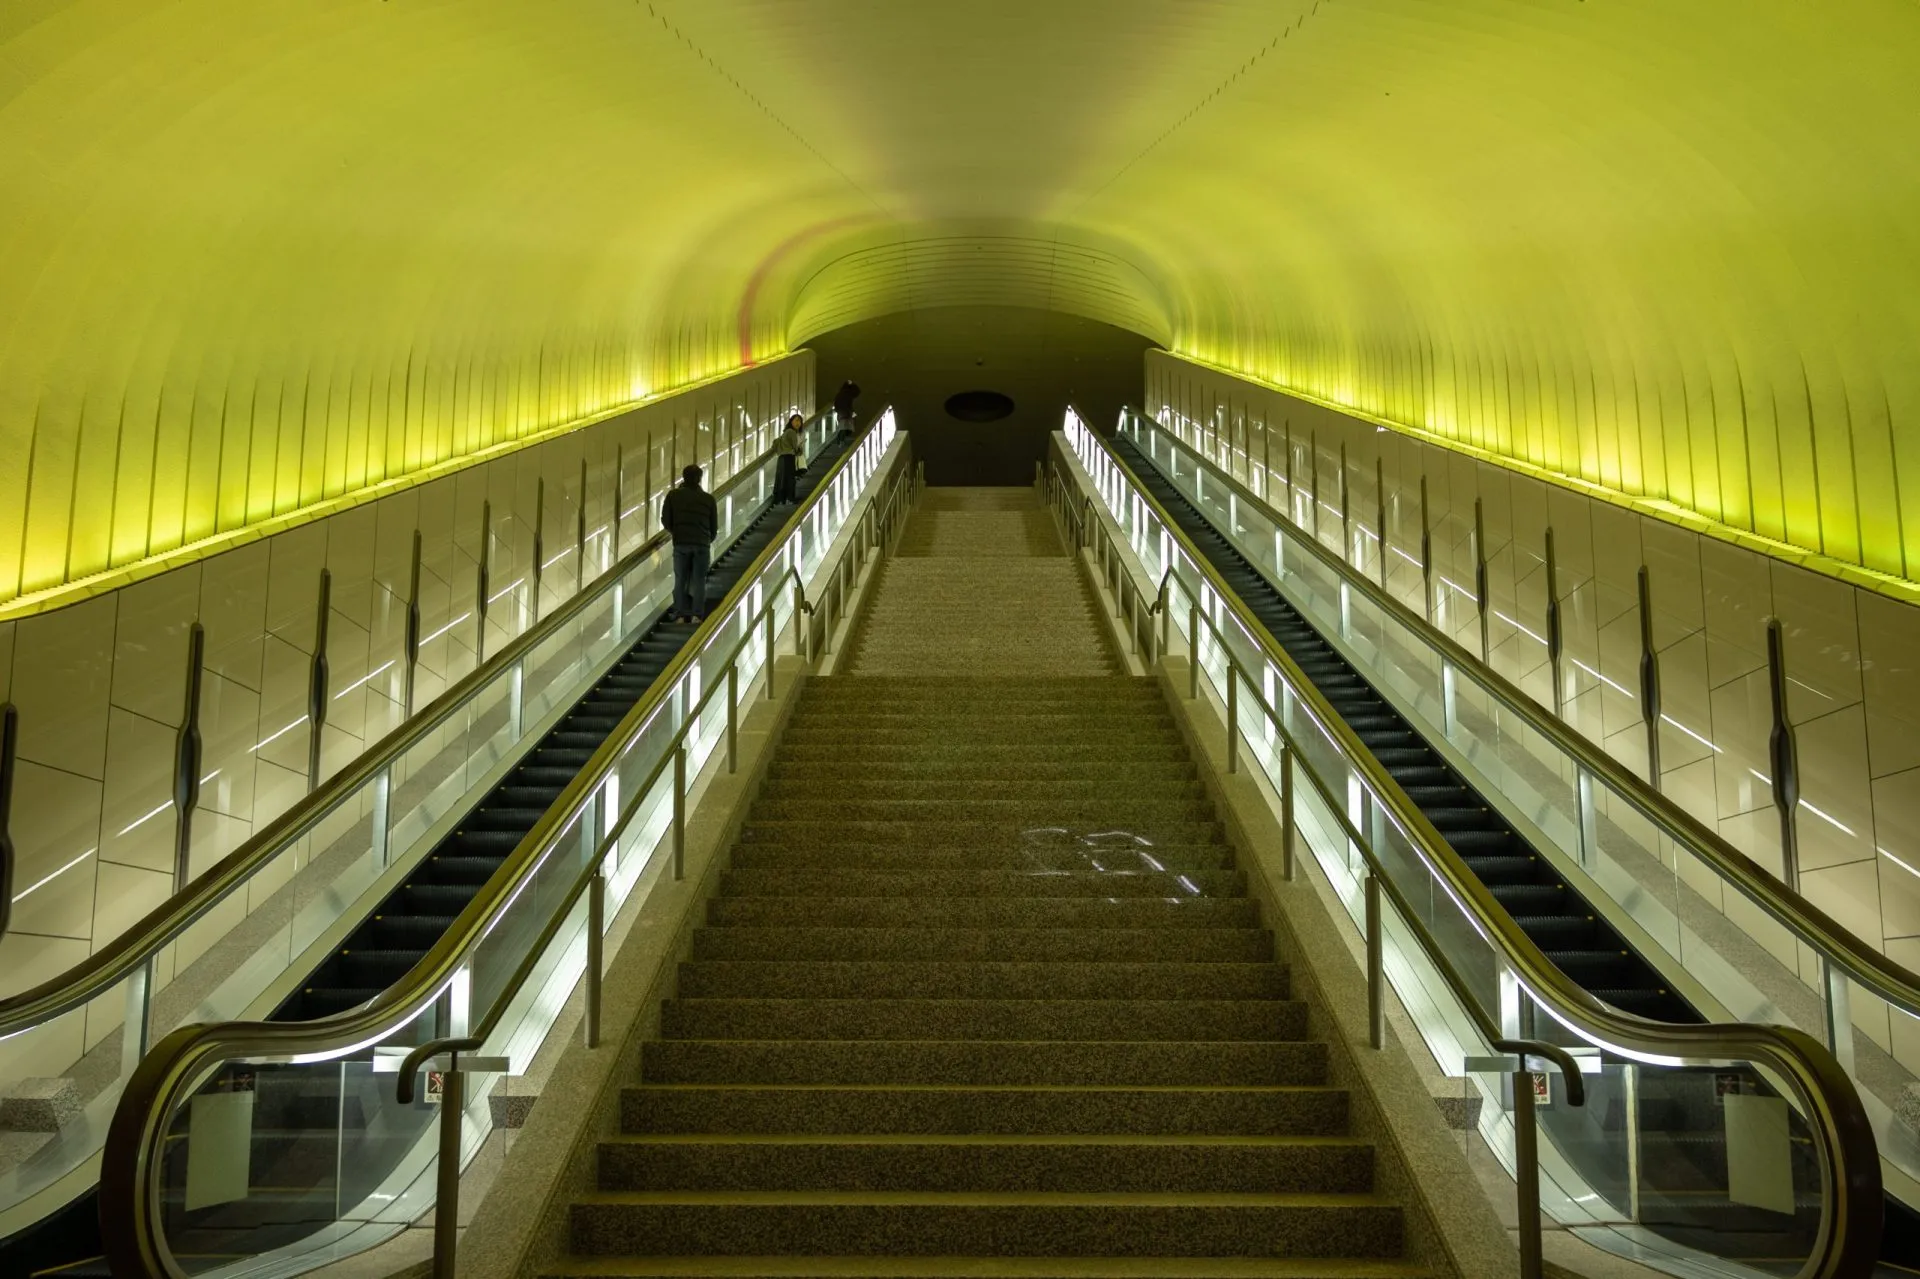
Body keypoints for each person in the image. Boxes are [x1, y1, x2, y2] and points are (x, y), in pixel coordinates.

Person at [660, 464, 718, 623]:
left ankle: (679, 614)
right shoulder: (708, 499)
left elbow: (665, 520)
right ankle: (697, 615)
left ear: (683, 477)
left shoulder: (673, 496)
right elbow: (714, 528)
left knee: (680, 579)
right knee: (699, 579)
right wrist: (705, 539)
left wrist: (677, 532)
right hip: (702, 544)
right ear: (700, 479)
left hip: (681, 543)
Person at [773, 413, 803, 504]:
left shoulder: (786, 432)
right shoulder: (792, 432)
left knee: (782, 478)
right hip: (789, 458)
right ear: (791, 421)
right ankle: (790, 497)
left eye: (800, 421)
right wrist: (800, 448)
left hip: (782, 458)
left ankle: (781, 498)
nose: (798, 423)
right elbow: (795, 448)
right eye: (796, 420)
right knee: (790, 478)